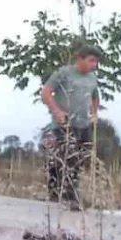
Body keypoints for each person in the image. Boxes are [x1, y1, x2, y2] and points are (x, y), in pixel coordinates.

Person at [41, 45, 102, 210]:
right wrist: (57, 111)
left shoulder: (92, 78)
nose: (94, 65)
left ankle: (65, 194)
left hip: (83, 124)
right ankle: (66, 195)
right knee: (66, 158)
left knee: (80, 159)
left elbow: (96, 96)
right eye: (91, 60)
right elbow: (46, 92)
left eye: (96, 61)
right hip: (64, 123)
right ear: (80, 59)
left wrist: (94, 113)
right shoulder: (64, 73)